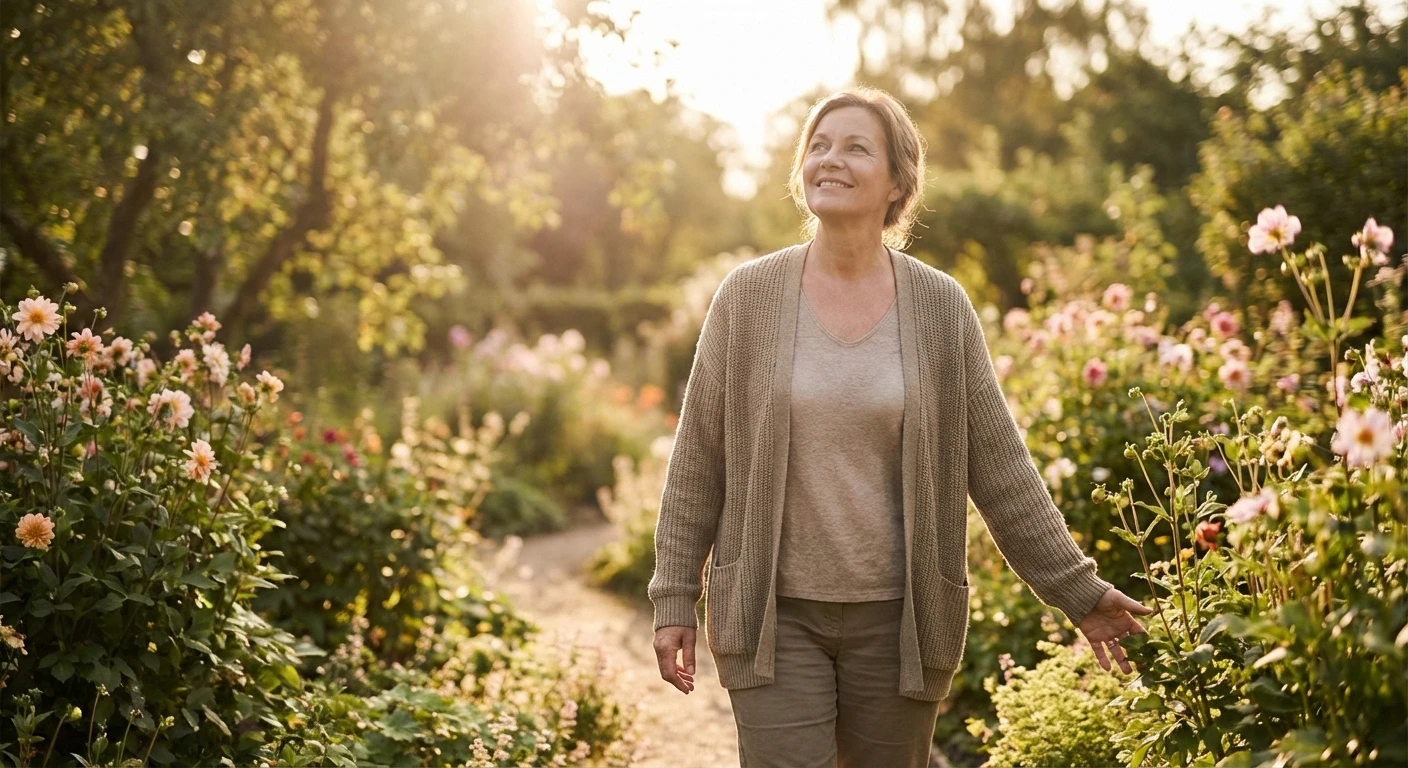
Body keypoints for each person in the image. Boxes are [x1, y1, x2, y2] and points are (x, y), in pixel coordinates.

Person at [648, 86, 1154, 768]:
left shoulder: (940, 308)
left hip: (900, 623)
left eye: (857, 148)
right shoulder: (748, 297)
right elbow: (698, 460)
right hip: (773, 617)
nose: (831, 159)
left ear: (897, 182)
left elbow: (1001, 469)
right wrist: (674, 595)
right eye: (819, 146)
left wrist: (1079, 593)